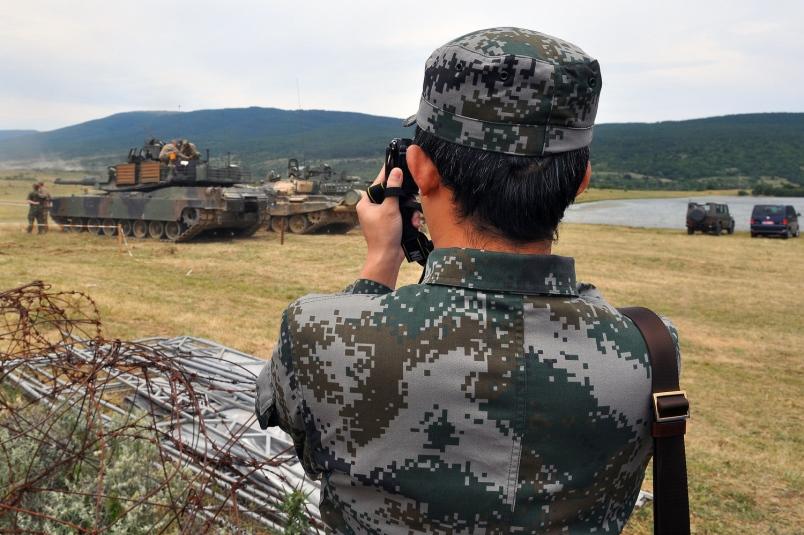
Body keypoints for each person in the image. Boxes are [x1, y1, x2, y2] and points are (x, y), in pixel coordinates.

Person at [256, 27, 679, 533]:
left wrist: (380, 263)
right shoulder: (650, 353)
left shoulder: (319, 336)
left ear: (420, 169)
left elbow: (279, 409)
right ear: (581, 180)